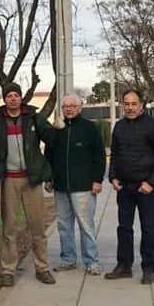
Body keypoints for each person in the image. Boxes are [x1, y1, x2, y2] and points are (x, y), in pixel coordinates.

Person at [0, 83, 54, 287]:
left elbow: (50, 138)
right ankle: (8, 269)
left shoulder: (33, 118)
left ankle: (42, 267)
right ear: (4, 99)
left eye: (16, 95)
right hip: (9, 180)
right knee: (9, 227)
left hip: (31, 179)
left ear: (21, 98)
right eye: (9, 96)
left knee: (37, 226)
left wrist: (57, 127)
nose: (12, 99)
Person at [106, 90, 154, 284]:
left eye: (134, 104)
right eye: (126, 104)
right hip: (124, 188)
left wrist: (151, 183)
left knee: (149, 229)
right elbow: (115, 154)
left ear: (142, 105)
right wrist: (112, 177)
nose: (130, 107)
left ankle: (148, 268)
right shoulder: (119, 127)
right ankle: (124, 266)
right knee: (124, 228)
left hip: (146, 188)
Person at [46, 94, 107, 274]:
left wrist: (97, 180)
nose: (69, 109)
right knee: (64, 226)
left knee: (86, 226)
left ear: (80, 108)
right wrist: (48, 179)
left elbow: (99, 156)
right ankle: (68, 259)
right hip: (60, 187)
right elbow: (49, 156)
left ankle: (92, 261)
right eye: (66, 106)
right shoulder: (56, 130)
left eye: (73, 106)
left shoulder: (90, 128)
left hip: (84, 187)